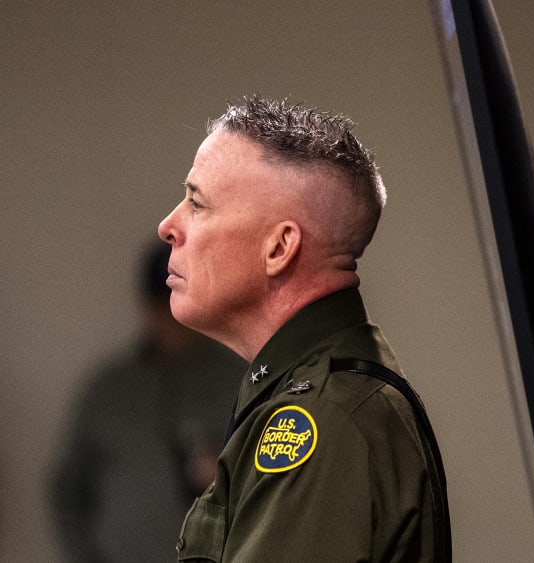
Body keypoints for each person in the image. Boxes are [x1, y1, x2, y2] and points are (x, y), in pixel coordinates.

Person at [157, 94, 450, 562]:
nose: (168, 226)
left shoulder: (324, 420)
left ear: (279, 248)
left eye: (197, 203)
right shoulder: (307, 392)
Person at [51, 241, 246, 563]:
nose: (174, 318)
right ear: (146, 305)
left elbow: (273, 490)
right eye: (163, 304)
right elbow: (68, 487)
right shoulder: (109, 389)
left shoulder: (239, 382)